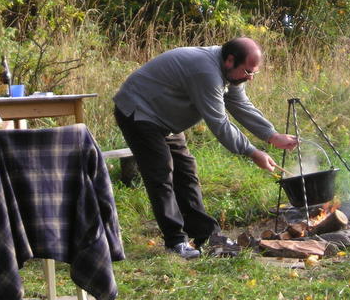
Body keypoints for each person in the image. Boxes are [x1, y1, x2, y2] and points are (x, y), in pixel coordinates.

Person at [113, 37, 298, 259]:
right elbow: (219, 123)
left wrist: (271, 135)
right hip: (139, 111)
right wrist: (252, 152)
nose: (250, 77)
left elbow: (240, 104)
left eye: (253, 73)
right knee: (161, 172)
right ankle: (176, 242)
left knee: (186, 171)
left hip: (164, 117)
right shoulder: (205, 72)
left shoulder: (230, 72)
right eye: (248, 71)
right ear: (230, 60)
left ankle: (207, 237)